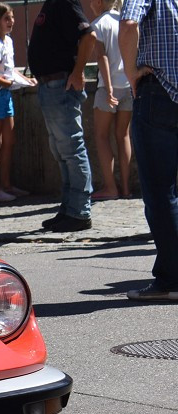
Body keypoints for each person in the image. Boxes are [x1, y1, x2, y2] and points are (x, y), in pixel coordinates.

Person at [119, 0, 178, 299]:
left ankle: (171, 280)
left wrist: (130, 72)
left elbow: (129, 24)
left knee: (160, 192)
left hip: (159, 91)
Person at [28, 0, 96, 232]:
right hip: (51, 84)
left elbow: (89, 36)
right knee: (62, 150)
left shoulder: (64, 1)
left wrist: (77, 73)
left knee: (71, 149)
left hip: (59, 84)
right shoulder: (54, 3)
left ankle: (78, 211)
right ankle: (69, 209)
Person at [0, 3, 33, 203]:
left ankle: (7, 184)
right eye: (6, 18)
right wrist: (9, 83)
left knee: (9, 141)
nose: (11, 22)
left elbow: (10, 70)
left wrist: (26, 80)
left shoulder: (8, 41)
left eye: (11, 17)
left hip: (4, 94)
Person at [90, 0, 132, 200]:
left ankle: (110, 187)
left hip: (109, 86)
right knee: (123, 136)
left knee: (101, 136)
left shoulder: (98, 24)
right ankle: (125, 187)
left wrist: (107, 89)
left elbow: (102, 57)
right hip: (128, 84)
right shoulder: (124, 20)